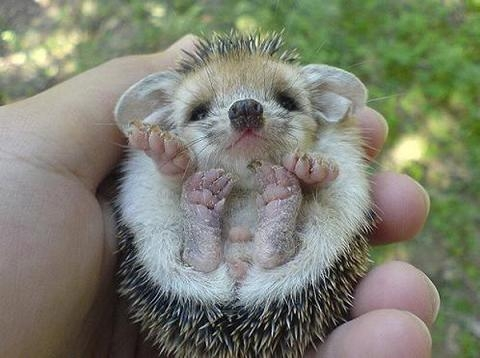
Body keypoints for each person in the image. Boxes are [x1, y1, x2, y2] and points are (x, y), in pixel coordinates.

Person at [0, 35, 439, 357]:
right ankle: (272, 230)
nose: (245, 111)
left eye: (284, 100)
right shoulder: (175, 144)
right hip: (255, 268)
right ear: (164, 113)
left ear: (323, 104)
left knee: (330, 185)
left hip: (215, 265)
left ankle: (209, 237)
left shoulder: (316, 140)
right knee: (159, 178)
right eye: (199, 111)